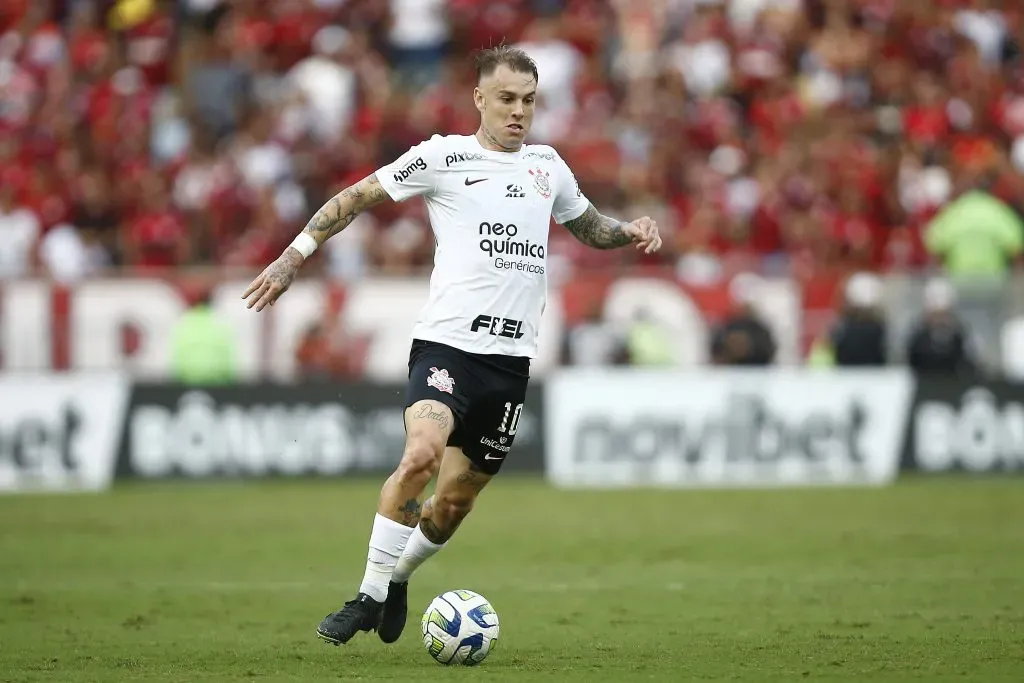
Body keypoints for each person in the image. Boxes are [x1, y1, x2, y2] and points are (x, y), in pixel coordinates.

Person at [241, 45, 662, 647]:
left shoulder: (549, 167)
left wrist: (629, 231)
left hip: (510, 366)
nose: (519, 112)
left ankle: (401, 577)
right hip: (446, 348)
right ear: (480, 99)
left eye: (529, 101)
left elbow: (589, 227)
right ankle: (366, 595)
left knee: (453, 504)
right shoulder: (443, 156)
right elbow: (354, 198)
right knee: (421, 456)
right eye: (508, 100)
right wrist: (292, 257)